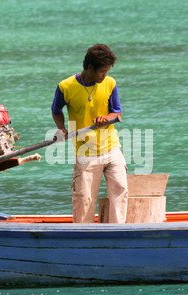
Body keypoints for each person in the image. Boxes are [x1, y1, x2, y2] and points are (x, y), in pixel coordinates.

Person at [51, 44, 128, 223]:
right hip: (86, 153)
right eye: (102, 71)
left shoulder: (110, 83)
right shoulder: (66, 86)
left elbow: (117, 112)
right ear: (90, 68)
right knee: (84, 200)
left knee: (120, 191)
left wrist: (106, 118)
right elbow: (56, 110)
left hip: (112, 149)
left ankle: (118, 234)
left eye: (107, 71)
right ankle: (82, 238)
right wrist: (61, 128)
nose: (105, 75)